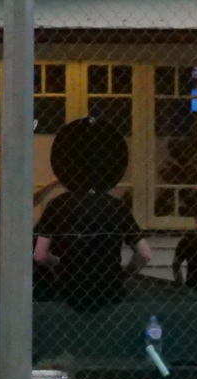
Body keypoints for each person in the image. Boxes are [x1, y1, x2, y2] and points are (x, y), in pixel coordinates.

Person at [33, 117, 150, 312]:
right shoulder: (117, 207)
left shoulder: (58, 205)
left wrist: (59, 266)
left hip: (68, 290)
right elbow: (144, 254)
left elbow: (39, 255)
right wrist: (122, 274)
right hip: (111, 290)